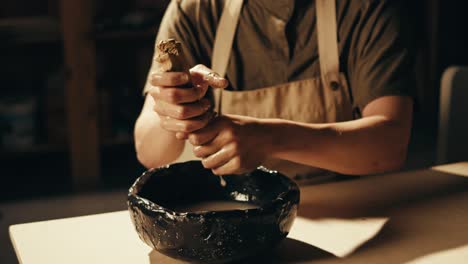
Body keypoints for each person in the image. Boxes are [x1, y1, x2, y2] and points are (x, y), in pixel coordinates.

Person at [134, 0, 414, 183]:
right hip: (235, 211)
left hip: (349, 204)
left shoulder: (365, 8)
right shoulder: (194, 9)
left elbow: (390, 145)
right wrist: (177, 110)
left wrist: (270, 138)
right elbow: (150, 153)